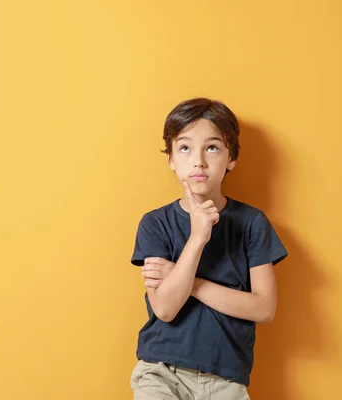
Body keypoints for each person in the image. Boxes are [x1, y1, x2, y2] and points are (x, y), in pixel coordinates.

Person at [129, 97, 288, 399]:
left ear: (231, 158)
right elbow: (164, 308)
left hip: (226, 379)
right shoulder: (155, 223)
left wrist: (187, 280)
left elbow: (264, 308)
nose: (198, 161)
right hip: (162, 372)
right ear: (172, 159)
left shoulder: (252, 223)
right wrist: (198, 237)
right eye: (185, 148)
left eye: (212, 147)